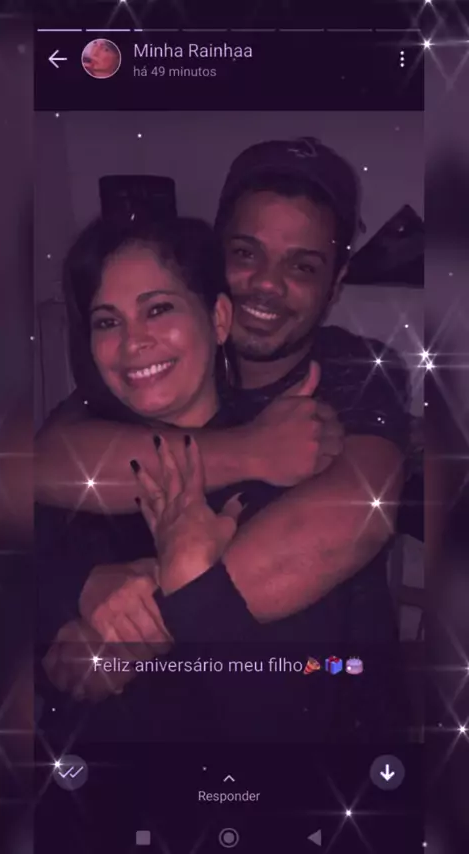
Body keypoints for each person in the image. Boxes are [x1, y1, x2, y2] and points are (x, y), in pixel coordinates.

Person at [37, 138, 411, 738]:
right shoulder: (134, 394)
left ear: (337, 281)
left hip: (331, 734)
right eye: (245, 253)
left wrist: (135, 621)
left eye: (302, 266)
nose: (266, 285)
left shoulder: (354, 373)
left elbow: (349, 519)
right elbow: (41, 467)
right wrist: (74, 586)